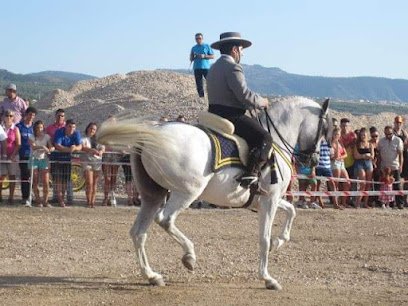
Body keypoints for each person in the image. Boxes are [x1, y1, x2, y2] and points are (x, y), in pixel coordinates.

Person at [206, 32, 270, 191]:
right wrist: (262, 102)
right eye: (241, 49)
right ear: (234, 50)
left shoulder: (213, 68)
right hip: (231, 115)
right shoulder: (233, 67)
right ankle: (251, 174)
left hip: (213, 113)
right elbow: (245, 95)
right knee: (265, 138)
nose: (242, 53)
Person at [45, 109, 73, 203]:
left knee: (66, 178)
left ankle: (64, 197)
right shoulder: (49, 128)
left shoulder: (68, 127)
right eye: (58, 115)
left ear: (64, 117)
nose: (60, 117)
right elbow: (46, 140)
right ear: (55, 116)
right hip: (54, 155)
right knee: (56, 177)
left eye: (62, 116)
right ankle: (56, 197)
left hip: (66, 156)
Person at [53, 119, 82, 207]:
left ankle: (62, 198)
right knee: (58, 180)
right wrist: (69, 150)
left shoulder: (76, 133)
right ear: (66, 126)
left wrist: (75, 148)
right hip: (57, 159)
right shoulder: (59, 132)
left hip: (67, 160)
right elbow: (57, 145)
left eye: (73, 127)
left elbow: (80, 146)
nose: (71, 129)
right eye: (69, 126)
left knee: (65, 181)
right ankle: (60, 199)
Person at [377, 125, 404, 209]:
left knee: (397, 186)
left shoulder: (398, 140)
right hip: (384, 167)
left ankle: (400, 203)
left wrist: (401, 166)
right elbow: (379, 155)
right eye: (386, 134)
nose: (388, 135)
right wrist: (378, 166)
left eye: (390, 134)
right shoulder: (381, 141)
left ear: (393, 132)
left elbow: (400, 155)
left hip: (395, 166)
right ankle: (385, 203)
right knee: (384, 187)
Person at [29, 120, 54, 207]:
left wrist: (51, 149)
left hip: (44, 159)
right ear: (35, 128)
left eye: (41, 127)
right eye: (37, 128)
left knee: (46, 181)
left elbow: (51, 146)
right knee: (35, 180)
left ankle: (45, 200)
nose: (39, 129)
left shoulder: (47, 136)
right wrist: (43, 147)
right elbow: (33, 146)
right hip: (34, 158)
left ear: (43, 127)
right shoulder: (31, 136)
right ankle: (38, 200)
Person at [16, 106, 37, 206]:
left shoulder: (35, 128)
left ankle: (32, 195)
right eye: (29, 115)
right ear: (26, 115)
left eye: (33, 116)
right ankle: (25, 197)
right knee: (25, 176)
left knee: (33, 176)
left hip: (34, 156)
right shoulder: (19, 126)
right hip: (23, 155)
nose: (31, 117)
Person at [81, 122, 104, 208]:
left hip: (97, 162)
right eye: (91, 128)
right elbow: (82, 147)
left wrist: (101, 151)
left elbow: (103, 147)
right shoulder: (83, 139)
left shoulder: (98, 140)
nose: (92, 130)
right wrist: (91, 150)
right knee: (89, 182)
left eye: (94, 129)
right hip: (87, 161)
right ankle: (88, 201)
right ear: (87, 129)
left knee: (95, 183)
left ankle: (92, 202)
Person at [1, 110, 20, 204]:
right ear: (3, 116)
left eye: (11, 116)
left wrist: (12, 155)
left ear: (13, 117)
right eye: (7, 115)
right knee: (1, 176)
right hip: (1, 156)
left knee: (12, 176)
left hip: (13, 156)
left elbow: (18, 144)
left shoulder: (15, 129)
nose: (8, 117)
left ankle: (11, 197)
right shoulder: (1, 128)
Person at [353, 128, 374, 208]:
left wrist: (368, 156)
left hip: (368, 163)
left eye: (364, 134)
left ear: (367, 135)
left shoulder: (370, 144)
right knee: (362, 183)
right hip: (360, 163)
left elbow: (372, 156)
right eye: (361, 135)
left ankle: (365, 203)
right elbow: (355, 156)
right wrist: (364, 156)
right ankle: (358, 202)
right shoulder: (357, 144)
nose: (363, 136)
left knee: (368, 184)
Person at [330, 127, 351, 208]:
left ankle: (343, 202)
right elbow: (333, 156)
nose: (337, 136)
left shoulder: (340, 143)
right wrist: (338, 155)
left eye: (338, 134)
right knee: (336, 183)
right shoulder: (331, 143)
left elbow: (345, 154)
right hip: (334, 163)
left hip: (341, 163)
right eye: (335, 134)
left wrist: (340, 157)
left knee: (347, 182)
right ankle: (336, 203)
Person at [189, 33, 215, 98]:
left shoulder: (207, 46)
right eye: (196, 39)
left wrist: (204, 56)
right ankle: (201, 97)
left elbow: (213, 56)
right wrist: (193, 57)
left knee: (210, 82)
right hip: (197, 67)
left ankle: (212, 95)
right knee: (199, 84)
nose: (198, 40)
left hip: (206, 67)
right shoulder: (193, 48)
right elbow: (191, 58)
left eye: (199, 38)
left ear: (202, 39)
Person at [392, 115, 408, 206]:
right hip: (395, 158)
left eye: (400, 123)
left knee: (405, 180)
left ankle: (404, 200)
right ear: (394, 123)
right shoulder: (392, 134)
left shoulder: (404, 133)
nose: (398, 124)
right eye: (397, 123)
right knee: (395, 181)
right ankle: (394, 200)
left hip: (404, 157)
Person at [369, 126, 381, 207]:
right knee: (370, 183)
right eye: (373, 136)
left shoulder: (380, 143)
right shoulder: (369, 143)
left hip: (379, 165)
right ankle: (371, 200)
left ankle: (378, 199)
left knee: (378, 183)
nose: (375, 138)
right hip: (371, 165)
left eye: (376, 136)